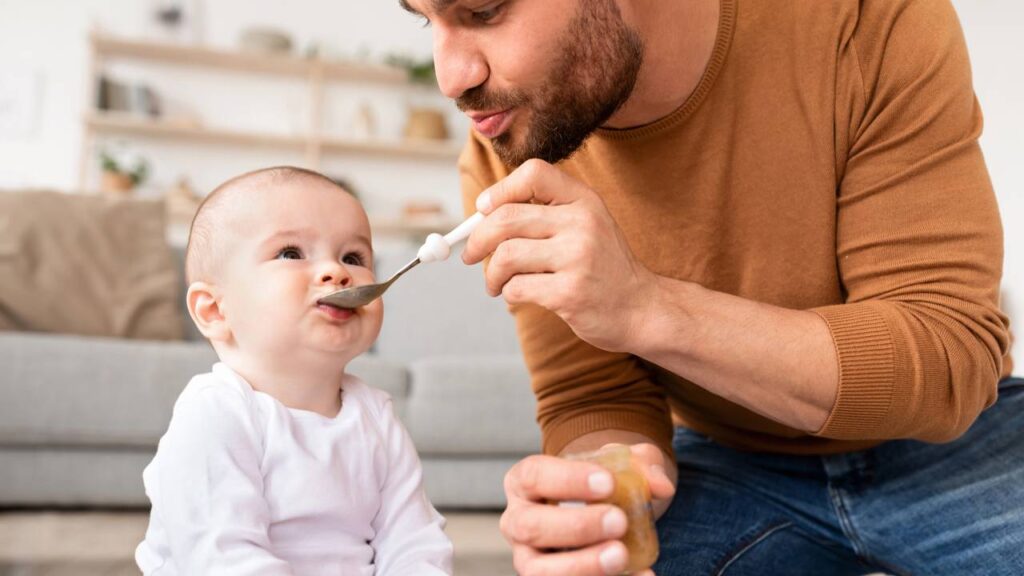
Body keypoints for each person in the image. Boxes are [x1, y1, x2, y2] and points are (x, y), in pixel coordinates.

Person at [399, 0, 1021, 574]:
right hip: (725, 461)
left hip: (954, 448)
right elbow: (594, 395)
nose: (451, 78)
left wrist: (646, 307)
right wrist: (601, 488)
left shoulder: (868, 20)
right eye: (426, 18)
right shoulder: (513, 142)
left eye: (483, 9)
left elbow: (947, 355)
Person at [134, 166, 453, 575]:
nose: (337, 271)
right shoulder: (215, 412)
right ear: (215, 311)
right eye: (291, 253)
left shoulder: (376, 418)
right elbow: (221, 555)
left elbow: (414, 543)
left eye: (353, 257)